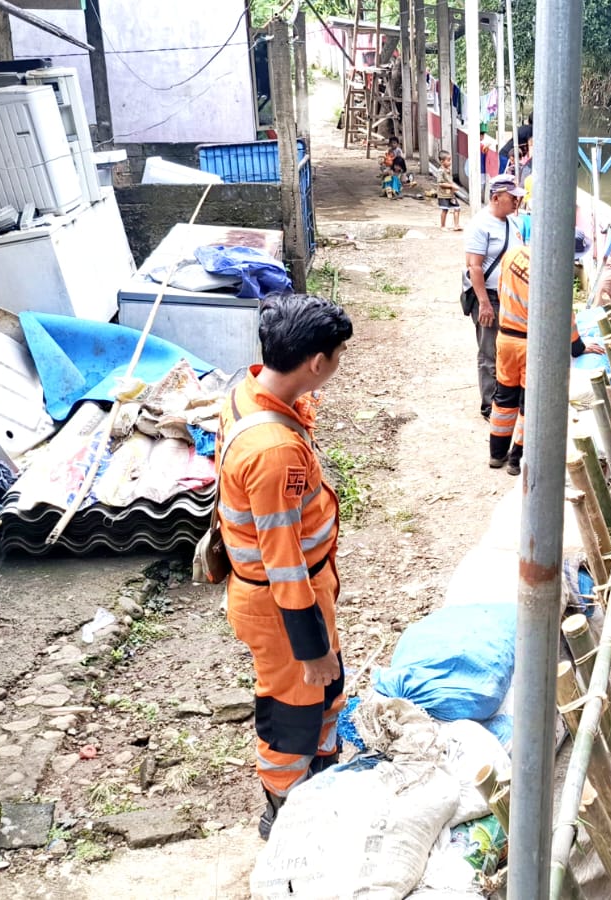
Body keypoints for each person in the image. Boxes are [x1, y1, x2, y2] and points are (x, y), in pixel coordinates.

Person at [216, 293, 353, 841]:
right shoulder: (274, 453)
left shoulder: (249, 394)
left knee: (326, 690)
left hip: (299, 593)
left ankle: (320, 778)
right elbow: (284, 563)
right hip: (282, 605)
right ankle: (286, 812)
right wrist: (311, 645)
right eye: (338, 354)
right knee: (293, 709)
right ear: (316, 362)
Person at [489, 244, 601, 474]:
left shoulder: (512, 255)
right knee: (529, 403)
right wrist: (579, 348)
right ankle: (516, 460)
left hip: (506, 339)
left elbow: (501, 292)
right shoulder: (553, 271)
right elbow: (565, 318)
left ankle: (496, 454)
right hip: (533, 345)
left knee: (503, 397)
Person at [463, 174, 525, 420]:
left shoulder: (512, 223)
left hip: (510, 297)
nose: (517, 203)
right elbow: (474, 267)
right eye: (513, 198)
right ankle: (490, 404)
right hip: (488, 296)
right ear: (496, 197)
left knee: (509, 349)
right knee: (490, 351)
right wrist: (485, 305)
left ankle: (508, 399)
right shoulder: (480, 225)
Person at [436, 150, 461, 231]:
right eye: (448, 160)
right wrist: (451, 186)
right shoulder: (440, 171)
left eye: (450, 160)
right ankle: (442, 226)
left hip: (451, 194)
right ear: (442, 161)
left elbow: (450, 180)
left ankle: (456, 225)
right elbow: (440, 183)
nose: (450, 162)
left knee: (457, 208)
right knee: (445, 209)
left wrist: (453, 186)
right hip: (443, 194)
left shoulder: (448, 170)